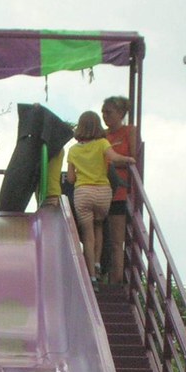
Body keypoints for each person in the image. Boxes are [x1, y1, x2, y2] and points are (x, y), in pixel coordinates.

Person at [65, 110, 136, 285]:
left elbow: (71, 179)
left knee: (87, 235)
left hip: (83, 194)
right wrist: (128, 159)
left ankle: (91, 275)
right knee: (99, 226)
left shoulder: (73, 151)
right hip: (103, 193)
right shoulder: (103, 143)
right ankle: (97, 263)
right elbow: (114, 158)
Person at [101, 96, 137, 288]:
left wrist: (115, 161)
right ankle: (100, 275)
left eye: (109, 112)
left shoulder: (129, 131)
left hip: (120, 192)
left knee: (116, 240)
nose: (105, 116)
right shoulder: (102, 135)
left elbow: (134, 157)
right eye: (103, 113)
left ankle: (116, 280)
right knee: (99, 237)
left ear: (121, 114)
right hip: (101, 190)